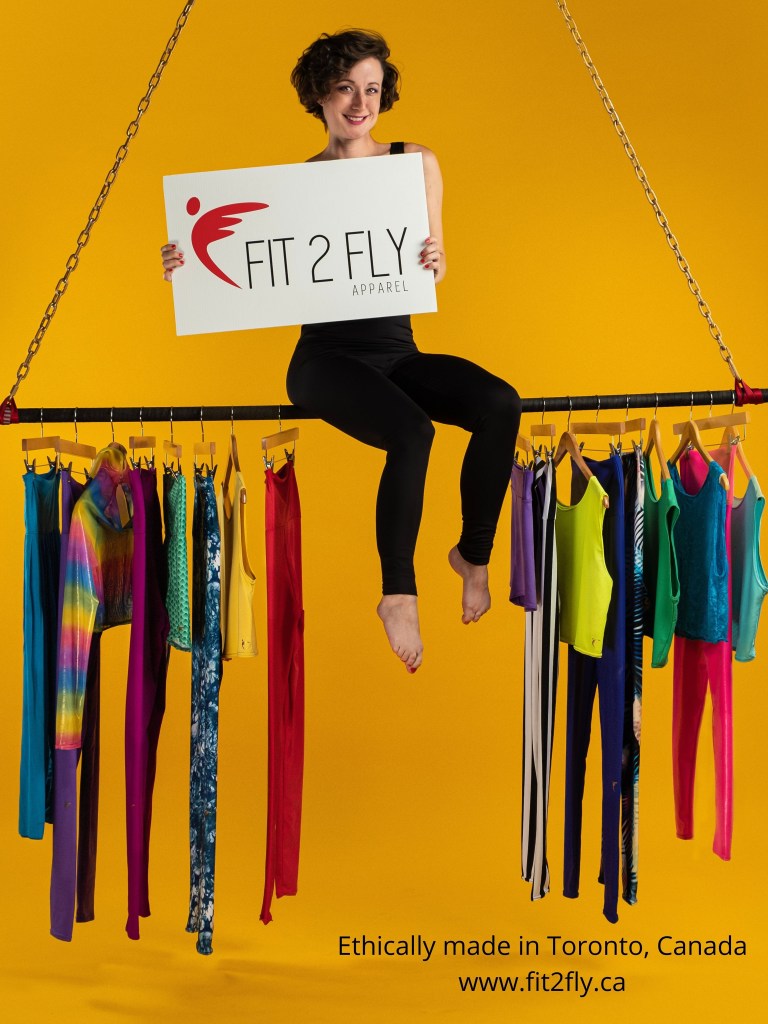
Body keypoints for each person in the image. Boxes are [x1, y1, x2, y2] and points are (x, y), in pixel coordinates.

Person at [161, 29, 522, 673]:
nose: (361, 102)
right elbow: (242, 266)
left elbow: (432, 264)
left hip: (398, 352)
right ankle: (398, 592)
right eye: (346, 88)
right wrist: (186, 261)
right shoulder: (295, 186)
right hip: (325, 362)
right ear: (321, 96)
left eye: (374, 90)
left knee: (499, 402)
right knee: (412, 432)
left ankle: (473, 552)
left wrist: (437, 258)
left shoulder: (416, 162)